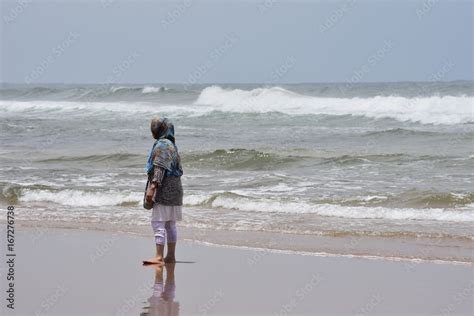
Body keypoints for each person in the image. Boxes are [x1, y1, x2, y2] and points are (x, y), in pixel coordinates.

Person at [143, 117, 183, 265]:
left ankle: (159, 256)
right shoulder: (172, 145)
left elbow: (159, 168)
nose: (152, 130)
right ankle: (171, 256)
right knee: (170, 224)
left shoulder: (162, 145)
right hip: (176, 189)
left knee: (158, 223)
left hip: (164, 190)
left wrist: (152, 189)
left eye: (155, 127)